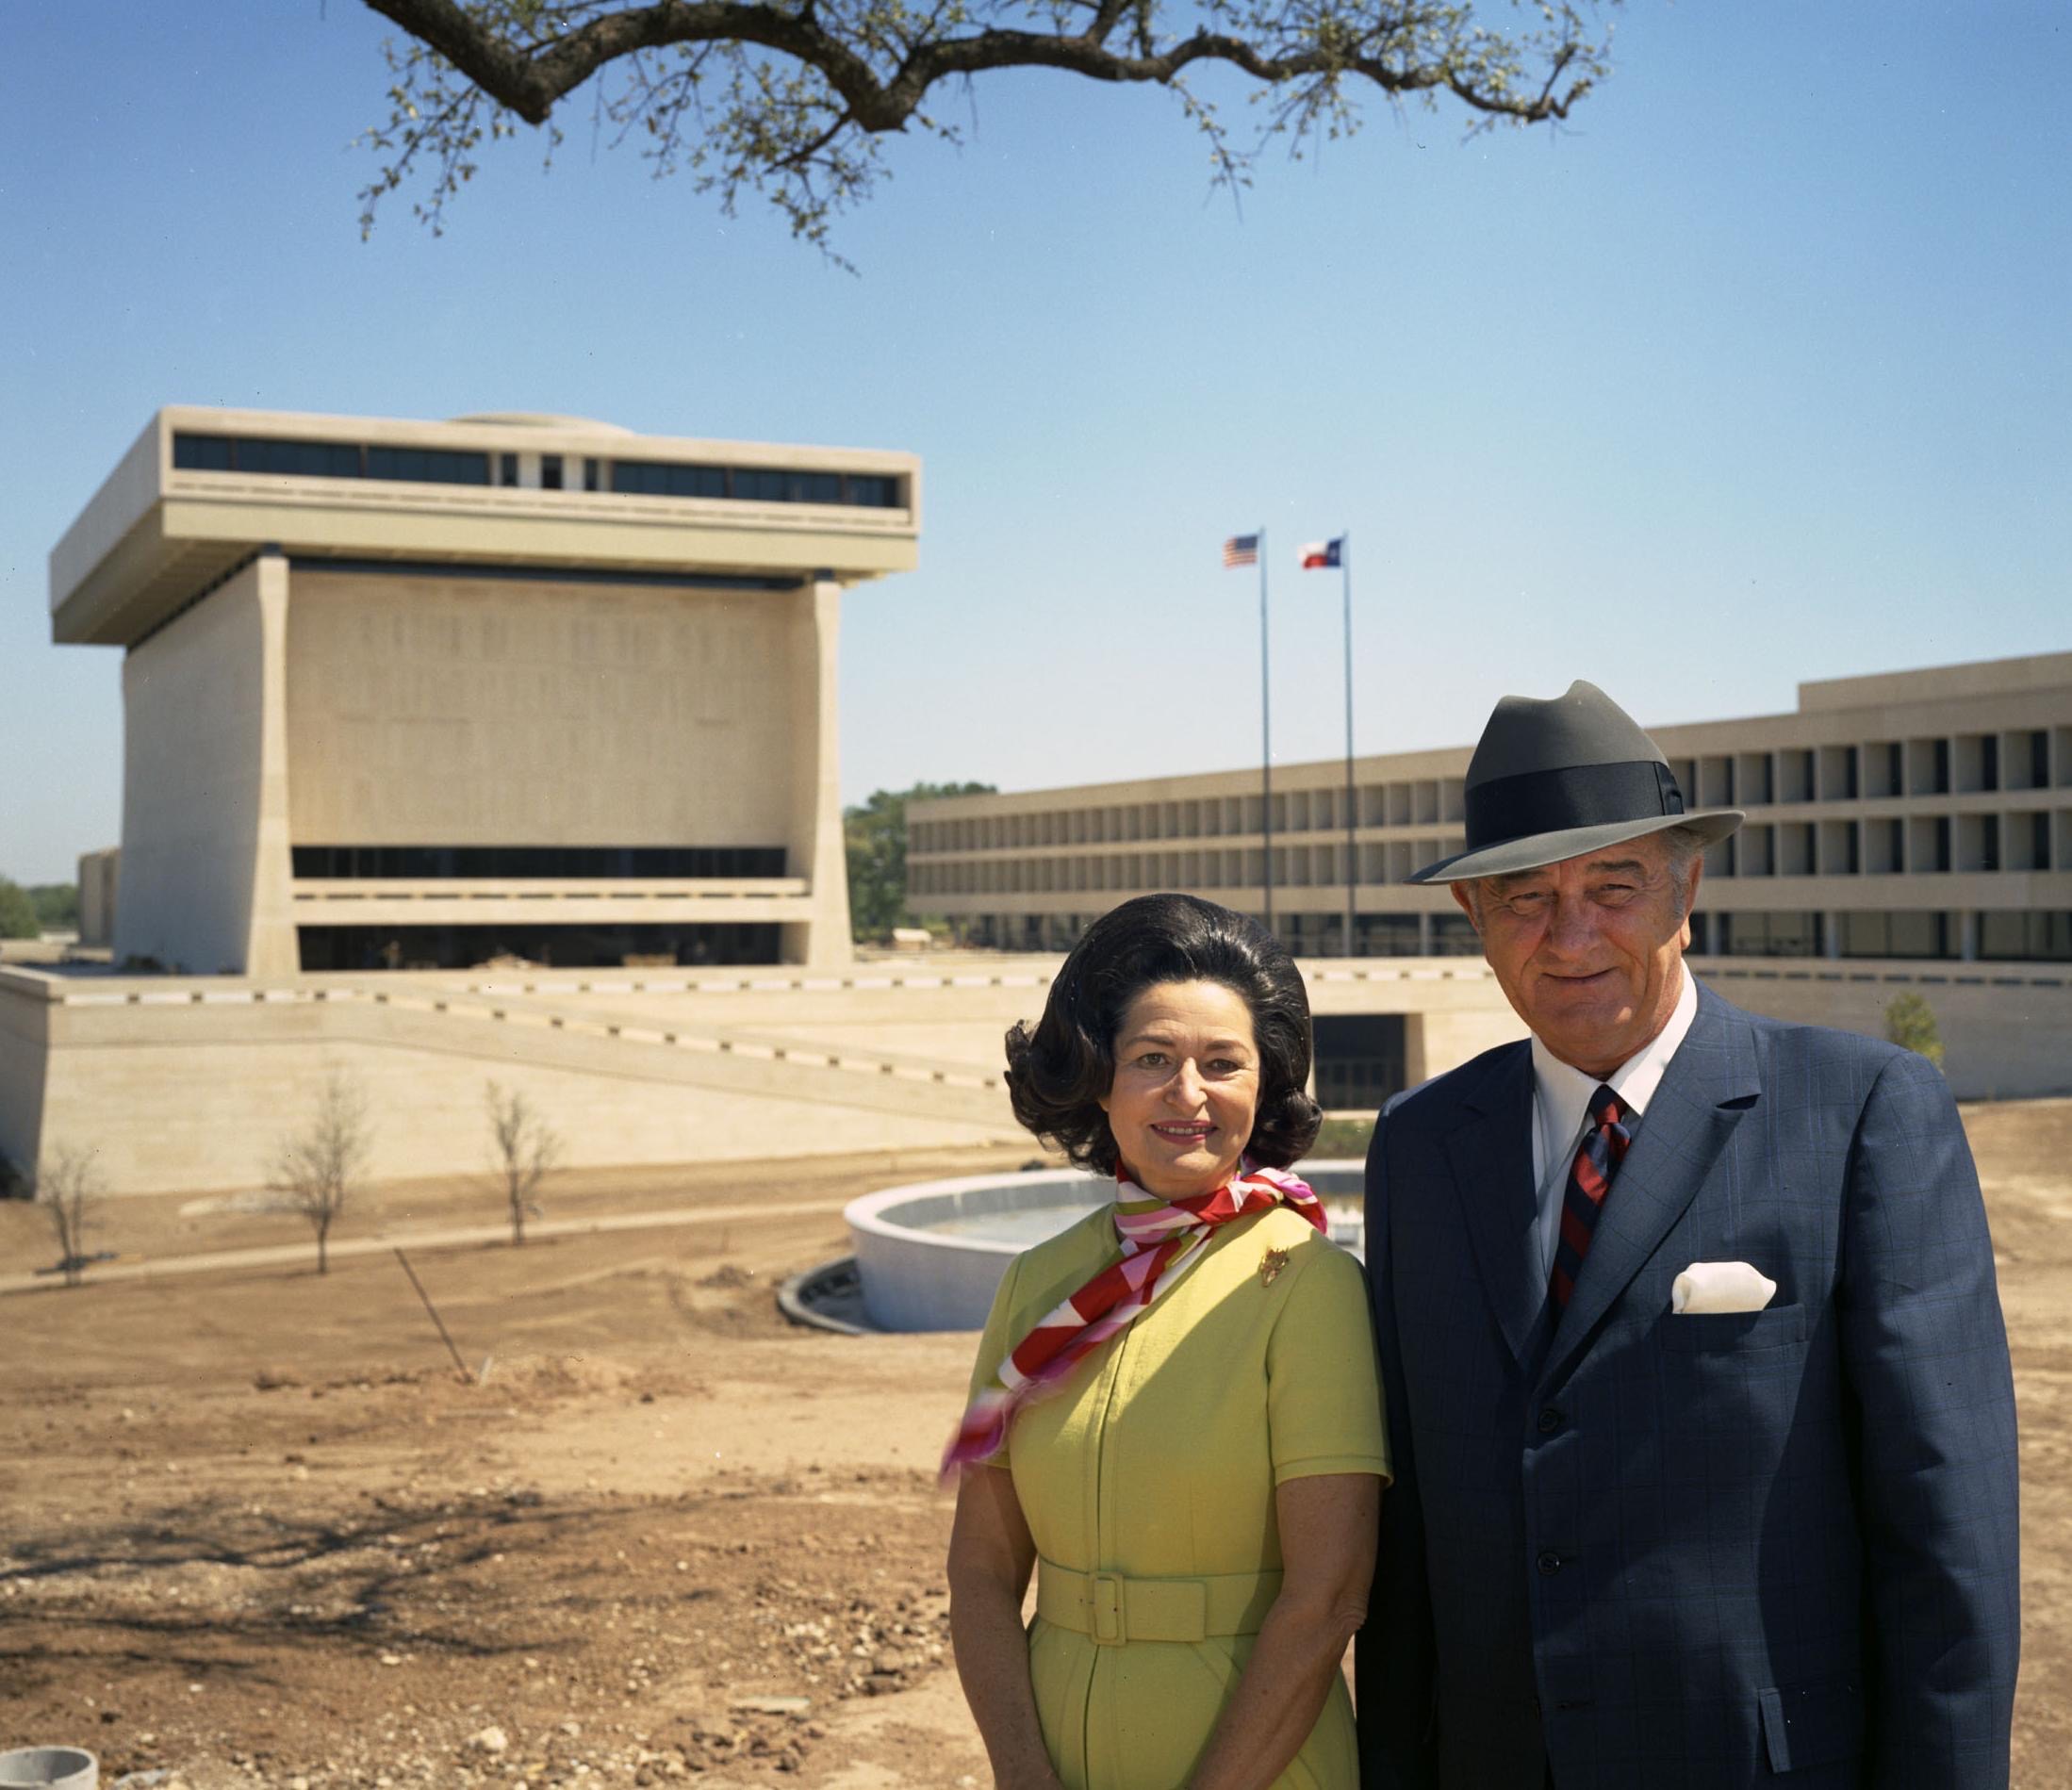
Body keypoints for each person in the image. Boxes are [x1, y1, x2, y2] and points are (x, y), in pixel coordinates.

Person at [1357, 681, 2021, 1789]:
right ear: (1472, 922)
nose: (1568, 938)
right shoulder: (1420, 1146)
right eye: (1522, 900)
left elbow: (1945, 1532)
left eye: (1610, 888)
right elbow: (1407, 1536)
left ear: (1684, 889)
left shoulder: (1860, 1113)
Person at [946, 893, 1390, 1789]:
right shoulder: (1035, 1285)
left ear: (1261, 1086)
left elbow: (1328, 1595)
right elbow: (982, 1574)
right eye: (1152, 1058)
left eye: (1223, 1063)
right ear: (1099, 1075)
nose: (1189, 1094)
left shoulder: (1309, 1283)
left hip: (1260, 1764)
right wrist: (1023, 1773)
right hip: (1056, 1758)